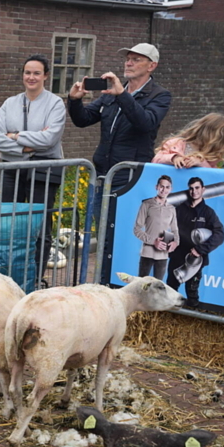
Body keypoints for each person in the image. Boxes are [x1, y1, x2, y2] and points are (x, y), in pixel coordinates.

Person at [67, 43, 171, 284]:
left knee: (119, 236)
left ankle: (115, 284)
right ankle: (102, 284)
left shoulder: (159, 95)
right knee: (102, 234)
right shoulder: (113, 93)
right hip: (103, 175)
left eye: (136, 59)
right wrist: (74, 101)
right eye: (128, 58)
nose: (129, 63)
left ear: (151, 66)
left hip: (128, 178)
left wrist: (122, 95)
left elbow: (145, 122)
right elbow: (83, 120)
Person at [0, 53, 65, 275]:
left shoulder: (55, 104)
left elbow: (50, 139)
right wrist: (26, 146)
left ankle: (34, 276)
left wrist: (14, 136)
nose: (31, 77)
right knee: (9, 223)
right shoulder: (9, 103)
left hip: (44, 169)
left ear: (45, 76)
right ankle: (8, 272)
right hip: (12, 169)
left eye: (36, 73)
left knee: (39, 225)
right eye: (27, 72)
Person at [166, 176, 224, 309]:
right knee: (170, 289)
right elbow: (167, 227)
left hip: (196, 260)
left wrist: (200, 249)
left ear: (203, 189)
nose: (194, 191)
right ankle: (168, 316)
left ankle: (191, 315)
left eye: (197, 188)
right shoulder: (179, 209)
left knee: (192, 291)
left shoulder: (209, 213)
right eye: (191, 188)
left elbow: (220, 235)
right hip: (177, 255)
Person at [151, 113, 224, 170]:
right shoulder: (177, 143)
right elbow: (156, 160)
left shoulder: (213, 157)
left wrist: (202, 163)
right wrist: (174, 158)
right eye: (223, 142)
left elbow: (213, 177)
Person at [132, 175, 179, 280]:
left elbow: (175, 230)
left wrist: (176, 242)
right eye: (162, 186)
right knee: (141, 285)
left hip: (163, 255)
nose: (164, 189)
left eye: (167, 187)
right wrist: (154, 242)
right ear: (156, 187)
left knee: (158, 287)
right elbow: (137, 229)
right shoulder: (146, 204)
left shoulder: (171, 209)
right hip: (147, 253)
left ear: (170, 189)